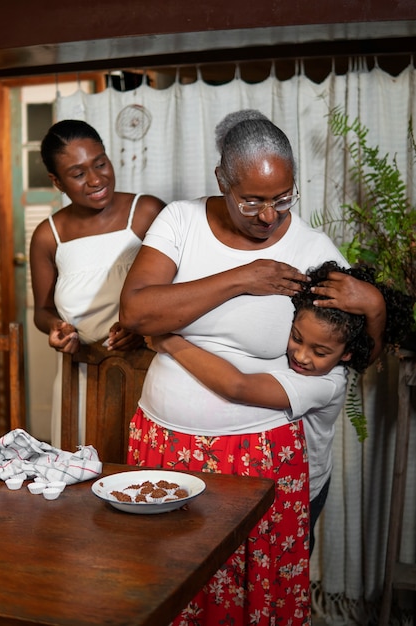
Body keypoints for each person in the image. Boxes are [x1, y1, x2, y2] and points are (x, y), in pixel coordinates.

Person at [120, 110, 386, 625]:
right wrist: (241, 277)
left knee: (250, 593)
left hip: (258, 458)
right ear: (221, 181)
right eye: (253, 201)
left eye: (282, 199)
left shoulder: (312, 251)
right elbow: (135, 311)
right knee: (168, 585)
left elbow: (355, 355)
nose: (269, 216)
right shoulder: (180, 219)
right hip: (164, 443)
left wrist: (373, 305)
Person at [143, 261, 380, 555]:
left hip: (305, 488)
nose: (302, 356)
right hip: (276, 480)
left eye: (320, 352)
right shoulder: (301, 361)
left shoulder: (326, 382)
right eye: (296, 338)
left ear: (346, 354)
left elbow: (237, 387)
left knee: (287, 558)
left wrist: (170, 343)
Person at [29, 119, 165, 447]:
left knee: (138, 475)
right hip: (80, 377)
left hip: (145, 370)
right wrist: (57, 328)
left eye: (100, 163)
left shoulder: (147, 212)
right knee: (80, 479)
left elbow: (178, 292)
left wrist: (141, 327)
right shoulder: (48, 236)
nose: (95, 179)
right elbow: (42, 311)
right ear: (57, 182)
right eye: (77, 174)